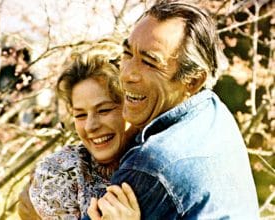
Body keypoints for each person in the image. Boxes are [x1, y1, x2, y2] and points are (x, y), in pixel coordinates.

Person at [87, 1, 260, 219]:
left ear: (193, 81)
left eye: (150, 63)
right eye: (127, 53)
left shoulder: (152, 164)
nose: (127, 74)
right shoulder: (213, 111)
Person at [18, 54, 141, 219]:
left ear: (131, 107)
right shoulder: (60, 175)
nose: (91, 126)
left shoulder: (156, 160)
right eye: (80, 115)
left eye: (104, 110)